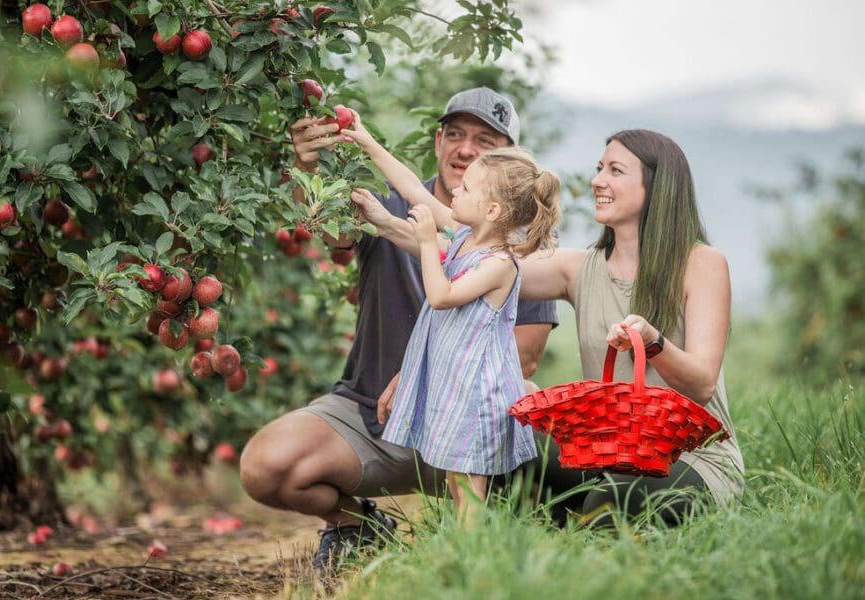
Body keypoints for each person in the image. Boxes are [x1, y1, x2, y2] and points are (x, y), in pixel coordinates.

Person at [239, 88, 559, 571]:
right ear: (437, 141)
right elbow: (358, 220)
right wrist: (348, 152)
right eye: (455, 135)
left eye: (485, 143)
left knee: (519, 415)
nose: (466, 151)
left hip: (463, 409)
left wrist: (415, 374)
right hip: (377, 419)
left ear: (502, 183)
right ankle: (358, 527)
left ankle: (485, 549)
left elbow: (456, 304)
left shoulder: (508, 255)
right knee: (266, 464)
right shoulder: (456, 225)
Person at [514, 129, 744, 526]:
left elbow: (703, 384)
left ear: (655, 186)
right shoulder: (578, 268)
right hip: (606, 456)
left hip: (693, 461)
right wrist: (401, 221)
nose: (597, 180)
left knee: (610, 503)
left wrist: (655, 341)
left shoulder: (702, 263)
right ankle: (540, 533)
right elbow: (486, 261)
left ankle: (582, 526)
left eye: (615, 170)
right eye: (599, 168)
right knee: (510, 445)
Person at [340, 115, 561, 520]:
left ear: (492, 209)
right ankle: (465, 552)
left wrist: (426, 241)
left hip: (476, 395)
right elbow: (409, 188)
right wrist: (367, 142)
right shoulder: (465, 233)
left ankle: (470, 556)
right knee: (458, 482)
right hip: (455, 386)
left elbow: (441, 297)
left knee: (467, 488)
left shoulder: (499, 263)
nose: (455, 188)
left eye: (468, 188)